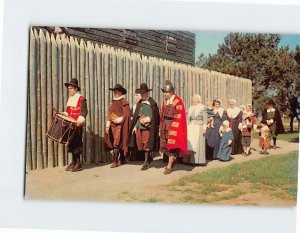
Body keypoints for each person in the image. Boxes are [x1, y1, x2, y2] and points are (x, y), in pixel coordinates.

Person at [128, 83, 160, 170]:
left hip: (148, 128)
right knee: (141, 144)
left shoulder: (152, 104)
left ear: (147, 93)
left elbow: (154, 116)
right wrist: (135, 126)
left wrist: (147, 120)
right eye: (141, 94)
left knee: (146, 144)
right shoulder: (140, 103)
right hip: (140, 127)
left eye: (143, 93)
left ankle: (146, 163)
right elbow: (137, 117)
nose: (141, 95)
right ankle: (148, 159)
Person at [160, 80, 188, 174]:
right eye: (164, 92)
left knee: (171, 146)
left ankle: (169, 165)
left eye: (167, 92)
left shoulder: (178, 101)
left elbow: (179, 115)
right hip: (165, 125)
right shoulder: (165, 102)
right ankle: (172, 160)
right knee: (165, 146)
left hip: (173, 126)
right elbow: (162, 114)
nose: (165, 94)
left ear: (171, 91)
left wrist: (173, 127)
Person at [63, 78, 88, 172]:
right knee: (71, 144)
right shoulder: (70, 99)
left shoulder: (81, 99)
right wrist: (63, 114)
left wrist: (80, 121)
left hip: (77, 125)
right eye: (68, 88)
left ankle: (78, 163)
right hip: (70, 125)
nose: (69, 90)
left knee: (77, 143)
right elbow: (69, 112)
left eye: (71, 88)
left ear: (76, 88)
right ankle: (73, 162)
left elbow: (84, 112)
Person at [105, 84, 131, 168]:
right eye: (114, 91)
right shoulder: (113, 102)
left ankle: (115, 161)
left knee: (117, 142)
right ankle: (122, 159)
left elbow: (127, 114)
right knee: (115, 141)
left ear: (120, 92)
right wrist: (108, 125)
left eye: (116, 91)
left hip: (120, 125)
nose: (115, 92)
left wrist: (119, 119)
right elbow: (110, 114)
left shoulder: (124, 102)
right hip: (112, 125)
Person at [184, 94, 207, 165]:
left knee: (198, 143)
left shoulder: (202, 108)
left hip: (199, 126)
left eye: (195, 99)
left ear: (198, 100)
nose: (194, 100)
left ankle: (198, 161)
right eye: (193, 99)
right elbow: (188, 118)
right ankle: (189, 160)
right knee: (190, 143)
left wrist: (204, 127)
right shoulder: (191, 108)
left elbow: (205, 119)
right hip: (191, 127)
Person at [128, 89, 143, 161]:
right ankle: (133, 155)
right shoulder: (134, 106)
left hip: (140, 125)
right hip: (133, 125)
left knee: (140, 140)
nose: (136, 97)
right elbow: (131, 114)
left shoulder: (143, 105)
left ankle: (141, 157)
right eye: (135, 96)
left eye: (138, 96)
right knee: (133, 140)